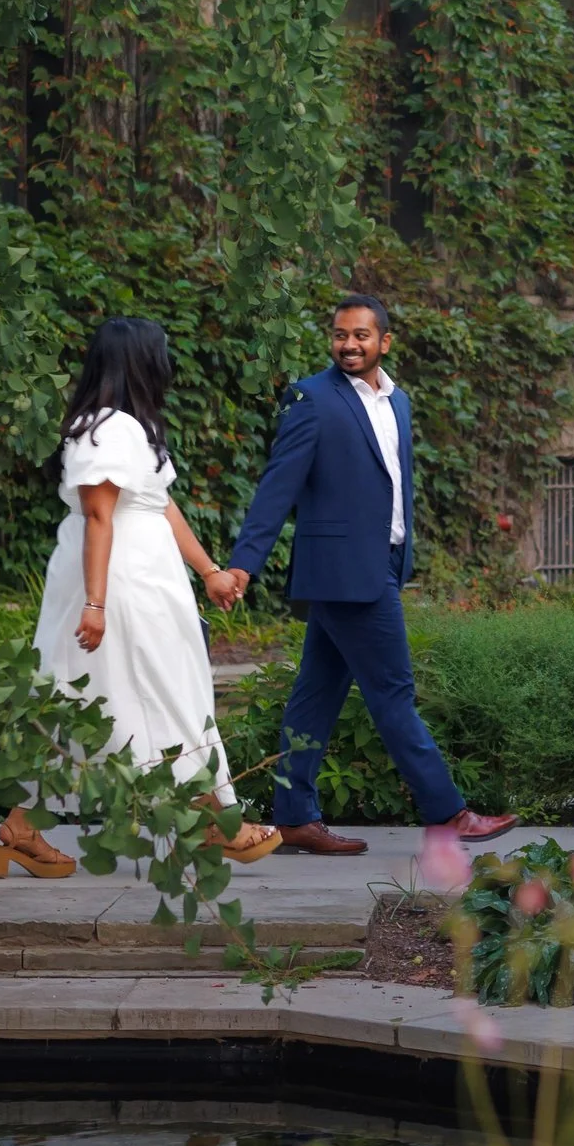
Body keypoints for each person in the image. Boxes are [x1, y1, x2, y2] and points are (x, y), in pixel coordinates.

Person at [210, 294, 519, 855]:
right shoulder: (313, 397)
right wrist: (242, 564)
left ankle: (295, 815)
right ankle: (447, 813)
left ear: (384, 341)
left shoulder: (396, 400)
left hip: (377, 564)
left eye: (360, 336)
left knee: (316, 693)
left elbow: (394, 486)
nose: (348, 344)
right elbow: (278, 485)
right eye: (339, 335)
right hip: (347, 573)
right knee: (394, 692)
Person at [0, 317, 281, 878]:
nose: (167, 363)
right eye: (161, 353)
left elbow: (159, 504)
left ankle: (23, 828)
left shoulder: (129, 426)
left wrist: (209, 571)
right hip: (121, 586)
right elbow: (100, 516)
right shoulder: (105, 429)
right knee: (161, 692)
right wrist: (96, 605)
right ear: (138, 362)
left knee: (106, 702)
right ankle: (209, 823)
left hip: (147, 580)